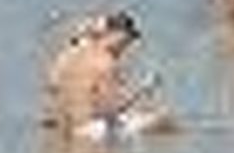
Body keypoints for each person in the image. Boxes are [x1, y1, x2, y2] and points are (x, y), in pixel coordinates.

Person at [42, 10, 170, 139]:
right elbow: (109, 108)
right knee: (162, 121)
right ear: (115, 36)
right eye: (127, 41)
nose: (127, 47)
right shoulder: (106, 62)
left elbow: (52, 86)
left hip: (64, 124)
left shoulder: (69, 55)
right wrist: (141, 92)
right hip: (92, 129)